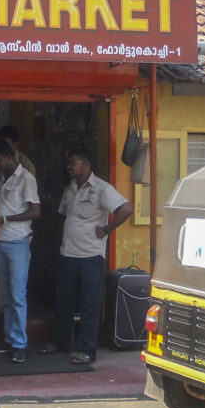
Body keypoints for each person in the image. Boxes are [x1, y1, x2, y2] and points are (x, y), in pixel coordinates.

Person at [44, 149, 133, 365]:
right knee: (63, 301)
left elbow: (126, 209)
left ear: (86, 164)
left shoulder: (102, 189)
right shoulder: (70, 189)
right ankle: (62, 342)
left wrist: (108, 228)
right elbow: (65, 217)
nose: (69, 167)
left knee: (89, 305)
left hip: (90, 256)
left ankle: (87, 350)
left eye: (73, 163)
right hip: (68, 254)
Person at [0, 140, 41, 363]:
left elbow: (35, 212)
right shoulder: (3, 178)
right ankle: (9, 338)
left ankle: (20, 344)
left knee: (17, 295)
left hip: (18, 242)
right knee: (6, 295)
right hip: (1, 241)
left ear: (10, 157)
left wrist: (6, 218)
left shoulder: (26, 178)